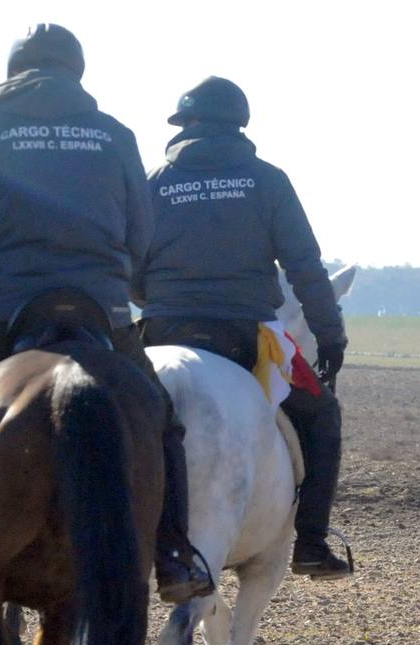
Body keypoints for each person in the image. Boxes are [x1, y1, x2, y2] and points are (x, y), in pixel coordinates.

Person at [0, 24, 212, 608]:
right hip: (101, 313)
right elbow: (140, 236)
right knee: (162, 420)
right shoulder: (114, 135)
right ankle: (172, 555)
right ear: (77, 72)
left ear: (14, 71)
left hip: (1, 312)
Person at [136, 75, 352, 580]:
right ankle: (312, 544)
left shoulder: (153, 182)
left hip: (160, 331)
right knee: (321, 416)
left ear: (183, 125)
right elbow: (305, 266)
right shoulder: (268, 180)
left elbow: (129, 269)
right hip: (246, 337)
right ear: (239, 126)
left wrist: (157, 296)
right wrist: (330, 334)